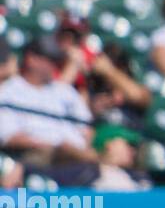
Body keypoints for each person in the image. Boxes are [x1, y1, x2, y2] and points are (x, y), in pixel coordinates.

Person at [0, 37, 96, 169]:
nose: (54, 65)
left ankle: (99, 163)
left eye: (56, 61)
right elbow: (8, 137)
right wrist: (52, 145)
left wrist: (82, 147)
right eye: (50, 60)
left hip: (76, 155)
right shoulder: (9, 91)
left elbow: (87, 128)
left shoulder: (65, 90)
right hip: (36, 157)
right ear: (31, 59)